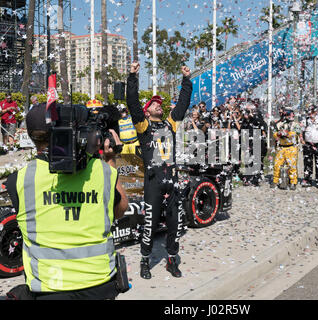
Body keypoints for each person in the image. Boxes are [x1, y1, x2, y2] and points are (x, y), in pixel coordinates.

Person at [5, 103, 128, 300]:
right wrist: (110, 159)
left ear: (29, 136)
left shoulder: (19, 180)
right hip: (100, 284)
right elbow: (121, 210)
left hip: (49, 288)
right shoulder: (101, 171)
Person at [126, 62, 192, 280]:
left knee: (175, 223)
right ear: (147, 111)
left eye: (160, 104)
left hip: (171, 182)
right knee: (150, 225)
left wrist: (186, 80)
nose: (159, 106)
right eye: (154, 104)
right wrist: (133, 77)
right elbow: (133, 104)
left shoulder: (170, 124)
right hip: (153, 183)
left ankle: (172, 260)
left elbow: (182, 104)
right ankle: (145, 261)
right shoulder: (143, 126)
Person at [271, 109, 302, 190]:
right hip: (281, 147)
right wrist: (278, 134)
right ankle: (275, 181)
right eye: (289, 114)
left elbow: (296, 133)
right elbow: (274, 133)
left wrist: (287, 134)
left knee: (292, 166)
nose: (291, 116)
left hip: (291, 147)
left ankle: (293, 182)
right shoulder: (279, 124)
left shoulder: (295, 124)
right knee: (277, 165)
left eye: (292, 114)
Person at [301, 105, 318, 189]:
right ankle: (307, 180)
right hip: (308, 145)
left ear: (316, 112)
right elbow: (301, 131)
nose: (310, 114)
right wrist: (302, 140)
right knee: (307, 163)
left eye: (312, 112)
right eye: (309, 112)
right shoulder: (305, 121)